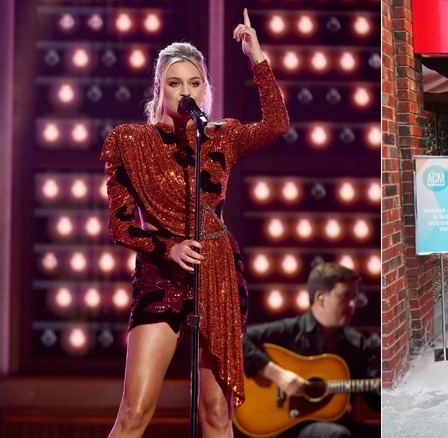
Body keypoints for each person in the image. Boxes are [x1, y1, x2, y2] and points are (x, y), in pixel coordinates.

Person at [101, 8, 289, 437]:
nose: (185, 91)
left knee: (216, 415)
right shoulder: (131, 141)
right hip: (162, 274)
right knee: (134, 413)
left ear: (205, 89)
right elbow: (120, 225)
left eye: (194, 83)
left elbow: (277, 124)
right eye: (175, 83)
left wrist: (256, 58)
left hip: (218, 273)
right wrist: (167, 247)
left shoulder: (221, 135)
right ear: (159, 88)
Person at [242, 263, 381, 438]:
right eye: (345, 296)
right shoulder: (291, 330)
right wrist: (278, 375)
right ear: (320, 297)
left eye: (354, 297)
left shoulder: (357, 343)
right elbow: (239, 338)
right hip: (289, 427)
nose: (352, 304)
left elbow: (375, 399)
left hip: (337, 424)